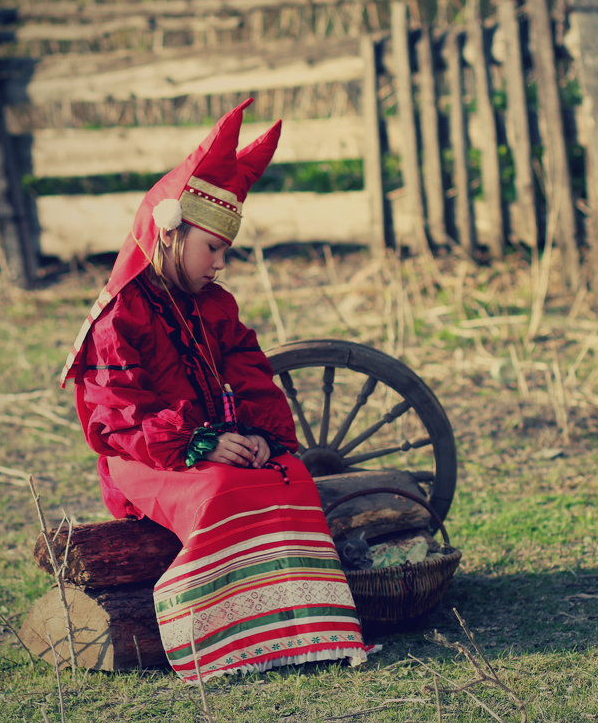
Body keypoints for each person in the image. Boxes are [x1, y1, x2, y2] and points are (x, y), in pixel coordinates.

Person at [60, 99, 373, 682]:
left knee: (289, 474)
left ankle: (305, 633)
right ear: (171, 235)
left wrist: (256, 435)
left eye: (225, 252)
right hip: (146, 458)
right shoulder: (119, 317)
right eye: (213, 249)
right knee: (223, 487)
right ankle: (222, 645)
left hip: (214, 444)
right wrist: (201, 444)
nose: (221, 264)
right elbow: (118, 421)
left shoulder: (216, 306)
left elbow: (252, 375)